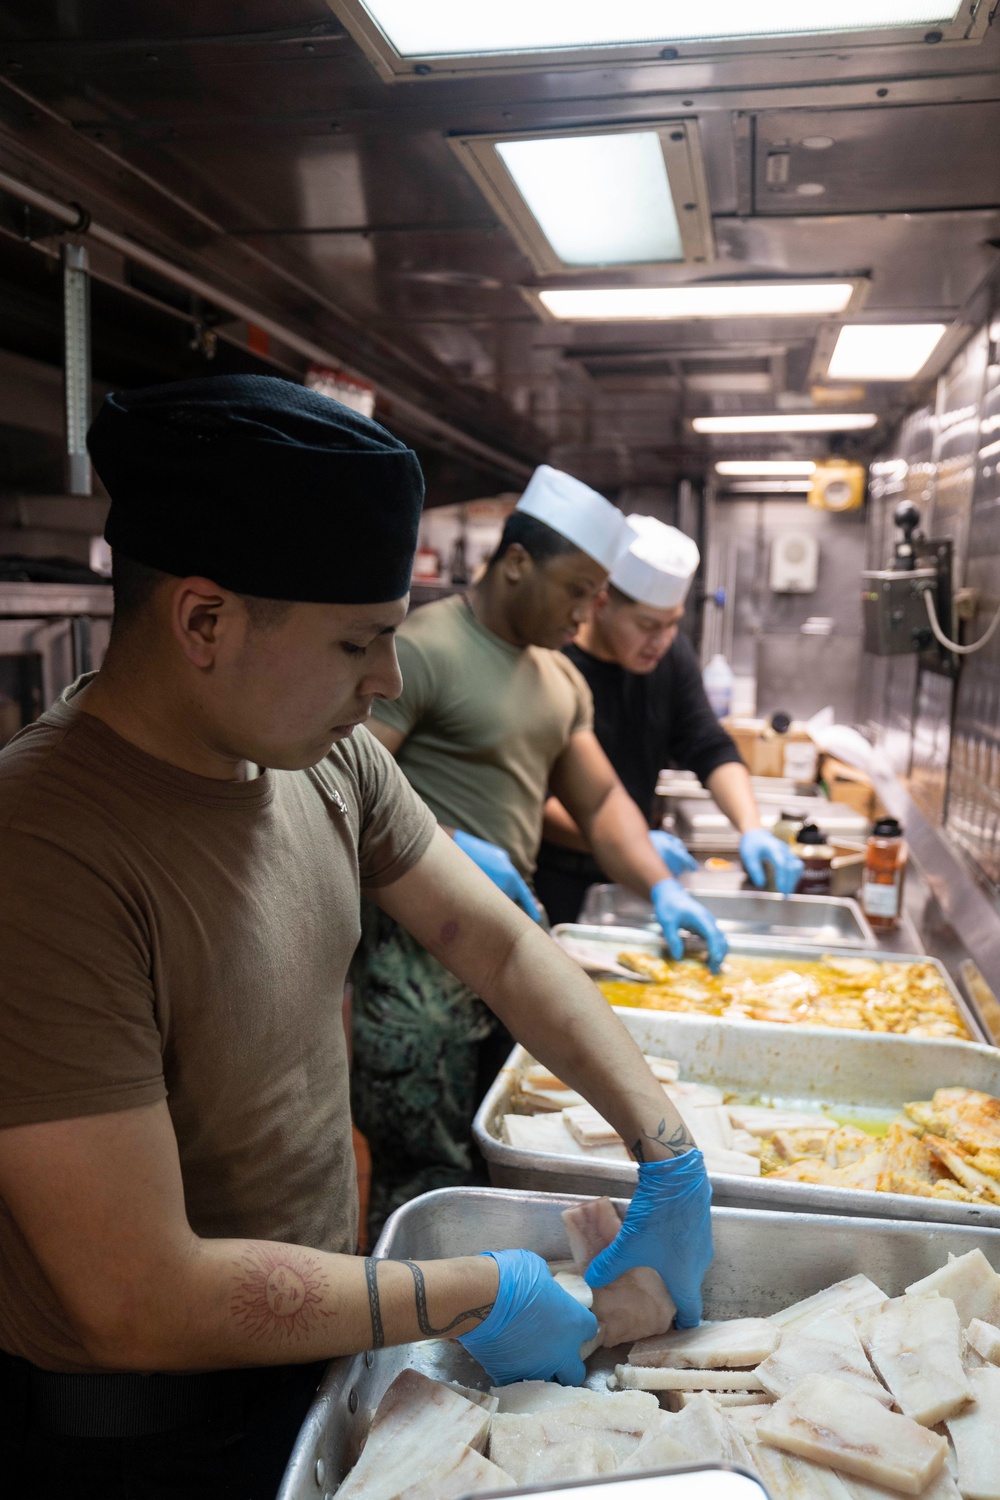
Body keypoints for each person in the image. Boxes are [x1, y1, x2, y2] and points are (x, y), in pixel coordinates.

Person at [0, 379, 711, 1500]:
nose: (385, 681)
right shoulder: (46, 854)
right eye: (355, 644)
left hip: (307, 1345)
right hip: (143, 1428)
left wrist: (665, 1149)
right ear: (203, 621)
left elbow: (499, 944)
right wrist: (485, 1289)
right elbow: (133, 1292)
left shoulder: (323, 759)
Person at [356, 465, 726, 1238]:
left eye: (600, 594)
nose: (589, 611)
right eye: (579, 588)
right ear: (517, 563)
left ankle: (480, 1305)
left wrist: (661, 885)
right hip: (413, 964)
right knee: (423, 1175)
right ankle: (401, 1330)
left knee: (495, 1159)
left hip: (499, 956)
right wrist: (452, 845)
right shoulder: (421, 651)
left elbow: (599, 804)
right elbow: (345, 788)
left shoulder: (559, 680)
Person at [535, 514, 804, 925]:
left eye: (673, 624)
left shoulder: (668, 657)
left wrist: (752, 827)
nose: (660, 642)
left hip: (641, 878)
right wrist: (632, 843)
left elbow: (708, 744)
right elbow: (533, 799)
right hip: (555, 878)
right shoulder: (553, 664)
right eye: (647, 626)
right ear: (601, 605)